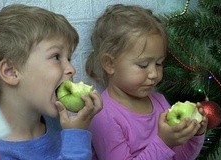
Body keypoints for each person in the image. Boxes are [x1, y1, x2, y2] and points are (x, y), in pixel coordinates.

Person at [85, 4, 208, 160]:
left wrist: (194, 135)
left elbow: (179, 157)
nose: (154, 74)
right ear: (110, 64)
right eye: (143, 65)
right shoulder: (103, 115)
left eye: (159, 63)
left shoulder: (159, 102)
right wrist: (164, 143)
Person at [0, 4, 103, 160]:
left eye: (69, 58)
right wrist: (76, 137)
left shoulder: (56, 123)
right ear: (11, 72)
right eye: (56, 57)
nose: (72, 69)